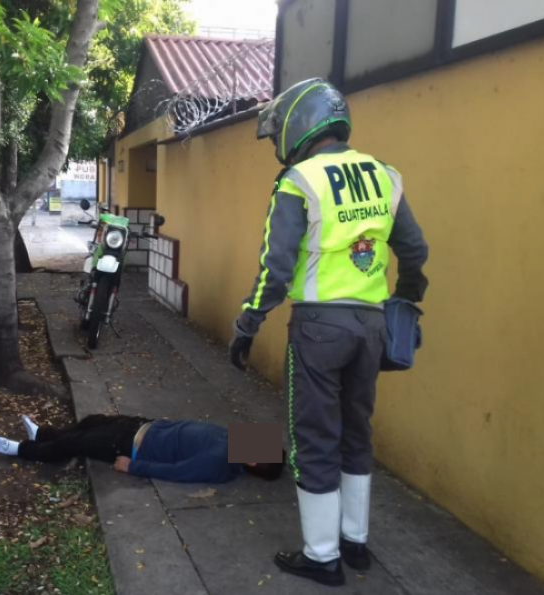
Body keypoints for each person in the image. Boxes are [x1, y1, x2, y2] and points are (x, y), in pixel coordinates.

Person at [229, 78, 429, 588]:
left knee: (314, 439)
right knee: (356, 432)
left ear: (300, 122)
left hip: (320, 328)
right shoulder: (385, 176)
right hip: (372, 325)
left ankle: (321, 556)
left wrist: (248, 324)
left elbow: (276, 269)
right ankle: (354, 542)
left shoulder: (299, 180)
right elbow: (415, 249)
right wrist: (407, 297)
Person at [0, 414, 284, 484]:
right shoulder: (233, 440)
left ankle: (23, 450)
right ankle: (42, 433)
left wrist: (134, 467)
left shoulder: (222, 464)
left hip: (132, 447)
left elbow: (179, 472)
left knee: (75, 444)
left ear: (255, 463)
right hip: (143, 425)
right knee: (90, 422)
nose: (256, 436)